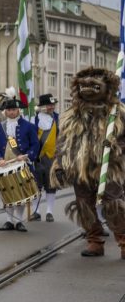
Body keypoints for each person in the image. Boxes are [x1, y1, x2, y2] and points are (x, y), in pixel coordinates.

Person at [54, 68, 125, 258]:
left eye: (94, 86)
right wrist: (60, 164)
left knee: (113, 203)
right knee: (84, 204)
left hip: (110, 167)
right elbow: (62, 142)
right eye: (83, 86)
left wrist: (117, 146)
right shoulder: (71, 115)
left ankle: (123, 240)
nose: (87, 90)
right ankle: (94, 240)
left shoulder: (118, 113)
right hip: (81, 168)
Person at [0, 91, 40, 232]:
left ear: (18, 110)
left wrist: (26, 155)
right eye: (9, 110)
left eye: (13, 110)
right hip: (4, 165)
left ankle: (19, 221)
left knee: (21, 193)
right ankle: (9, 220)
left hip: (21, 164)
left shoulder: (28, 126)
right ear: (5, 111)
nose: (11, 112)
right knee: (6, 192)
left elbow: (35, 145)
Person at [31, 93, 60, 222]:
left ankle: (49, 212)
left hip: (52, 158)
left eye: (53, 105)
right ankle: (35, 211)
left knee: (51, 185)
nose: (51, 107)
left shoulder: (58, 119)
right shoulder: (34, 119)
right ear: (42, 106)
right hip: (37, 158)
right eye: (49, 105)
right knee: (35, 185)